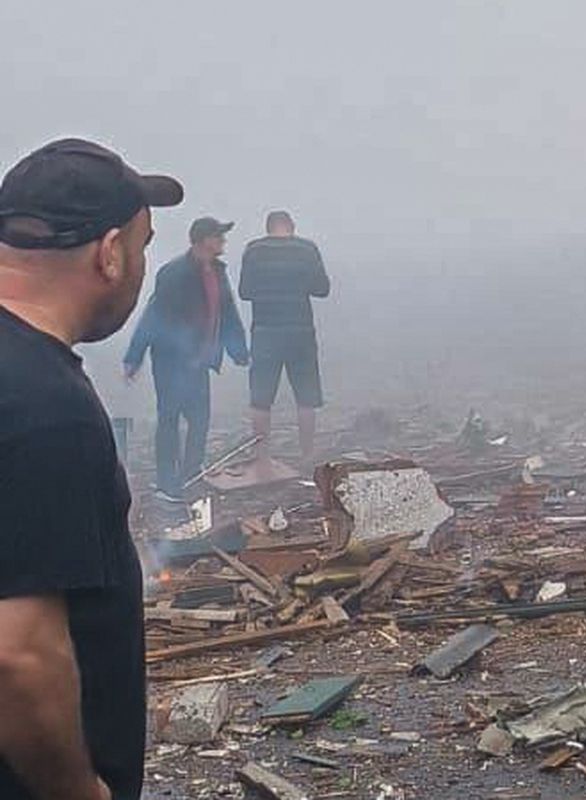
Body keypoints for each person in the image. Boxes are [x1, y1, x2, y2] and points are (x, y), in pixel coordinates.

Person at [0, 138, 182, 800]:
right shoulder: (44, 408)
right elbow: (16, 654)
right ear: (109, 255)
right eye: (142, 246)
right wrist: (80, 790)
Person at [122, 216, 248, 501]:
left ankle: (192, 473)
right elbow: (154, 315)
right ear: (204, 240)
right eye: (219, 236)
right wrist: (135, 355)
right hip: (171, 361)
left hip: (200, 361)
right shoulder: (174, 273)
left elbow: (227, 311)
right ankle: (167, 483)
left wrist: (238, 349)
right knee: (169, 418)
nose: (223, 241)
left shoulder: (217, 271)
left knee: (199, 419)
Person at [239, 209, 329, 464]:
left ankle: (262, 455)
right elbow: (322, 289)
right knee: (306, 395)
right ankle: (307, 452)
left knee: (261, 398)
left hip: (265, 330)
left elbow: (245, 292)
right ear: (291, 226)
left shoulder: (253, 251)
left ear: (268, 228)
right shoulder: (306, 250)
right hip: (300, 329)